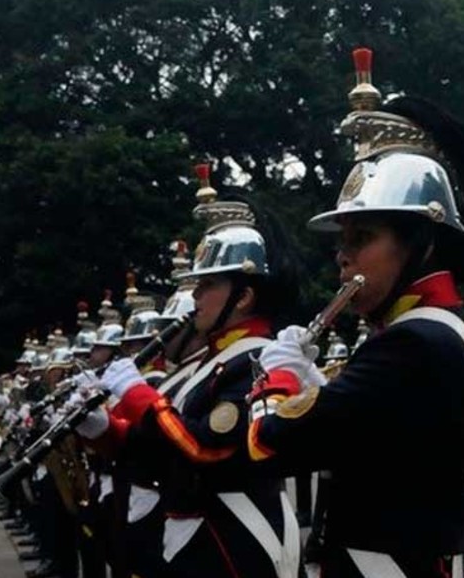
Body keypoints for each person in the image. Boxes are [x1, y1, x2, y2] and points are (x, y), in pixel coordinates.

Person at [245, 47, 464, 578]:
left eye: (362, 237)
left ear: (421, 243)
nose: (343, 257)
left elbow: (269, 444)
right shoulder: (434, 331)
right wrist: (318, 388)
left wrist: (276, 379)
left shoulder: (413, 341)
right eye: (341, 241)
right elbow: (375, 438)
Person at [77, 175, 301, 578]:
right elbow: (158, 452)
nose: (195, 296)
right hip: (196, 534)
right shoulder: (211, 361)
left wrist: (138, 394)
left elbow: (206, 448)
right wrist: (103, 429)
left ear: (244, 296)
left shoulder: (256, 359)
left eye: (207, 285)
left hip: (235, 536)